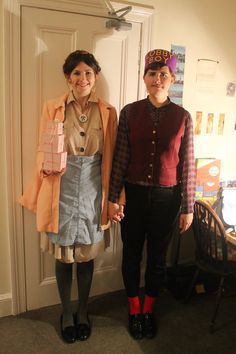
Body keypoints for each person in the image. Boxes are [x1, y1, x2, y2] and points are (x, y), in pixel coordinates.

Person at [20, 50, 119, 343]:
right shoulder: (52, 107)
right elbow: (42, 147)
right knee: (64, 256)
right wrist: (41, 178)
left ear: (96, 77)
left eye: (88, 73)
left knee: (86, 254)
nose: (82, 78)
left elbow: (112, 158)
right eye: (76, 73)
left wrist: (115, 197)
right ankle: (66, 312)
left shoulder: (109, 111)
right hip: (60, 186)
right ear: (67, 77)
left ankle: (84, 311)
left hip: (92, 187)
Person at [108, 49, 196, 340]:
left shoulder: (183, 117)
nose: (158, 79)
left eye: (164, 74)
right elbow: (120, 158)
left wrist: (188, 207)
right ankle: (134, 308)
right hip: (132, 195)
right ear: (144, 77)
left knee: (157, 258)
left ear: (172, 79)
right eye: (152, 73)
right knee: (131, 254)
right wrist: (112, 198)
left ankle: (149, 308)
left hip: (167, 199)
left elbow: (187, 163)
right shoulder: (130, 112)